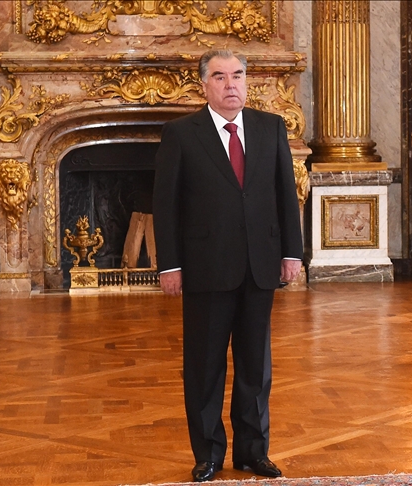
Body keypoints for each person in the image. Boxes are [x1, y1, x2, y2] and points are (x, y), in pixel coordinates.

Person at [153, 49, 303, 482]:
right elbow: (165, 204)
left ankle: (253, 452)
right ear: (204, 85)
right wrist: (169, 265)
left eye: (237, 75)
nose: (230, 84)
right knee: (205, 366)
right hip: (206, 267)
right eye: (220, 77)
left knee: (256, 366)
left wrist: (291, 252)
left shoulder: (270, 127)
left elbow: (285, 193)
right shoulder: (182, 133)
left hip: (260, 265)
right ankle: (208, 454)